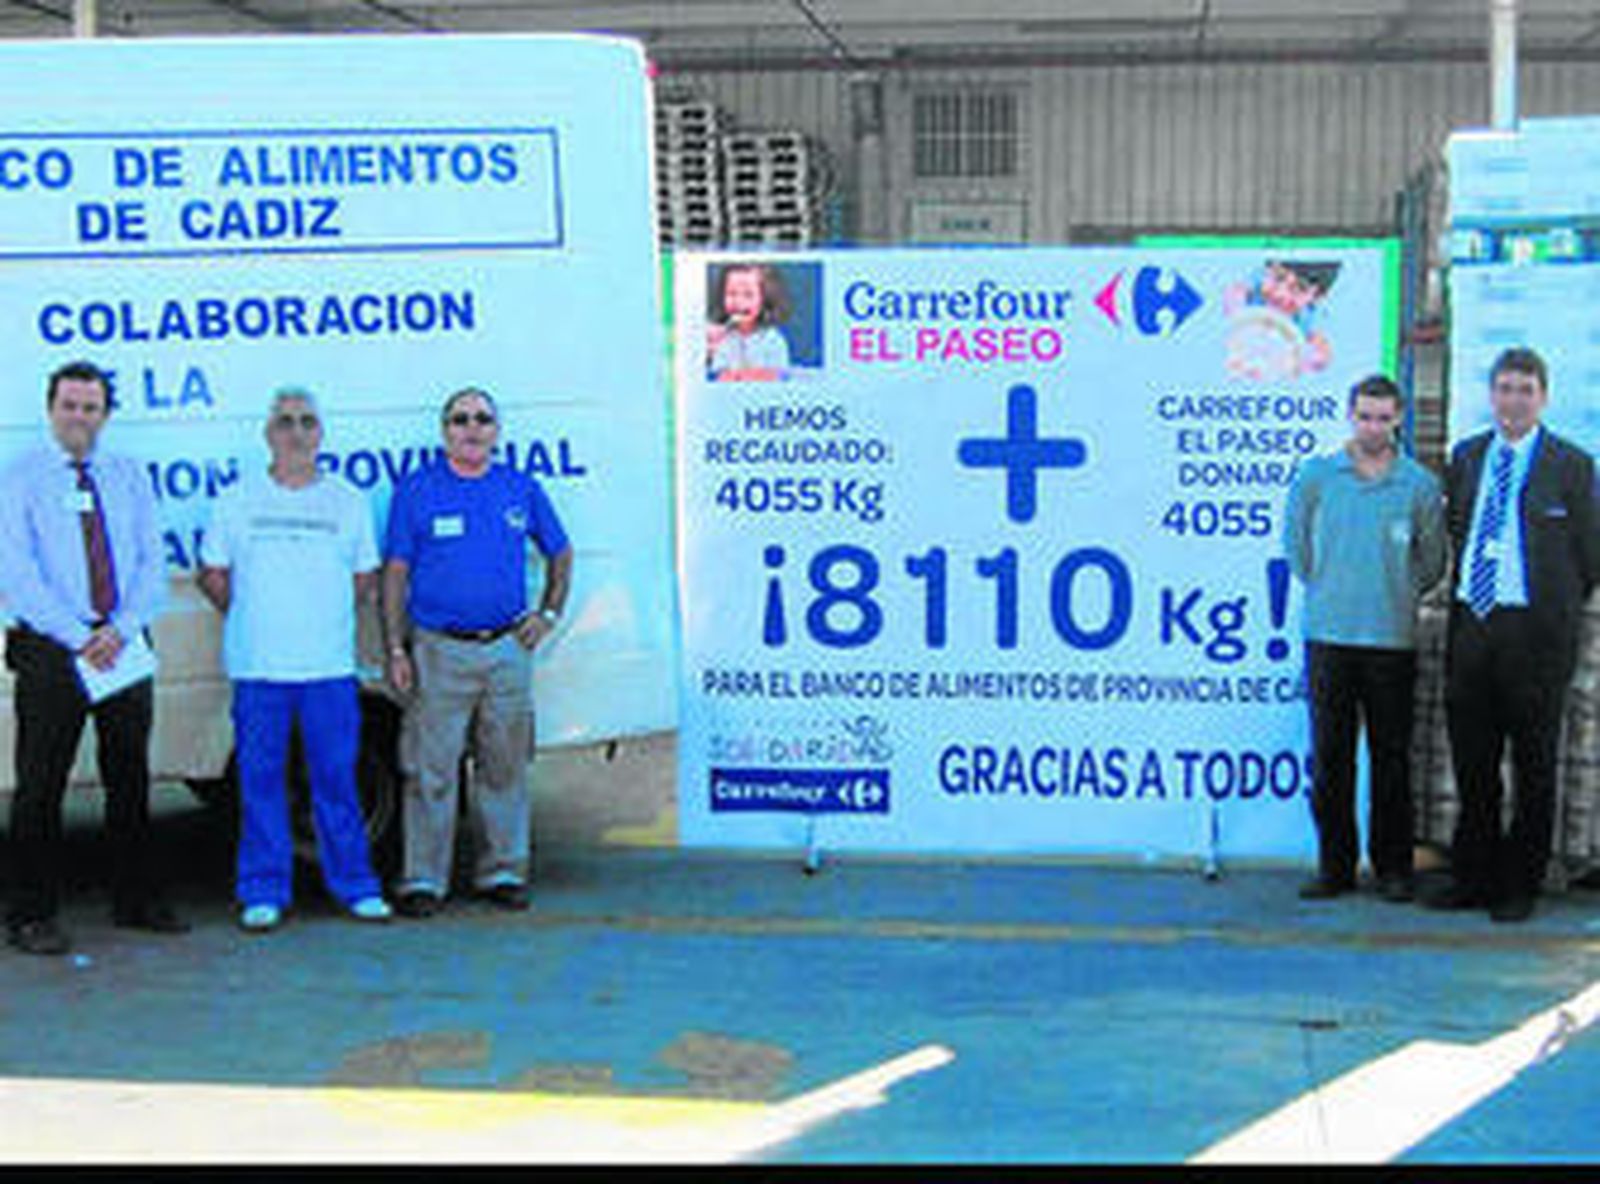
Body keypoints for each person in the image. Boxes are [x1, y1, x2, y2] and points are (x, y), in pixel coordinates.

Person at [0, 360, 188, 955]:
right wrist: (79, 634)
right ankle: (30, 913)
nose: (80, 416)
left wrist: (122, 627)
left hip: (123, 644)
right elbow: (17, 573)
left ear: (106, 413)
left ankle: (135, 899)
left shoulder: (127, 475)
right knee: (41, 784)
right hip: (52, 650)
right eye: (69, 405)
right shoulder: (20, 478)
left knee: (130, 776)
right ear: (50, 408)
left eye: (91, 407)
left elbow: (149, 563)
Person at [198, 388, 393, 933]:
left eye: (307, 422)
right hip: (259, 669)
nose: (296, 431)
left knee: (335, 779)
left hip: (327, 669)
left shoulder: (347, 500)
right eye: (285, 422)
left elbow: (364, 578)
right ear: (268, 434)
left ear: (321, 434)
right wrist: (257, 616)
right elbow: (212, 574)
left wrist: (315, 616)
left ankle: (355, 886)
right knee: (260, 783)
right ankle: (264, 891)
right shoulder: (236, 499)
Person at [381, 387, 572, 918]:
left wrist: (548, 614)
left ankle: (502, 872)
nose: (472, 428)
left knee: (504, 767)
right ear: (444, 430)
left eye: (483, 419)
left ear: (497, 430)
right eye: (460, 419)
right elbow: (396, 573)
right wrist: (396, 647)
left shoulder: (519, 488)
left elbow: (560, 551)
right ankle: (423, 880)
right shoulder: (416, 491)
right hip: (439, 651)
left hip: (507, 650)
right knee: (429, 770)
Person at [1426, 347, 1600, 922]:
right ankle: (1474, 875)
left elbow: (1590, 556)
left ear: (1542, 398)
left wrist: (1552, 616)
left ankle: (1520, 882)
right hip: (1474, 628)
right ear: (1491, 394)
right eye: (1504, 388)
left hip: (1536, 639)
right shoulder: (1468, 456)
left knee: (1533, 765)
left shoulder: (1572, 465)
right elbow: (1457, 529)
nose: (1513, 399)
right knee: (1474, 763)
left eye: (1525, 389)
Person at [1282, 374, 1447, 904]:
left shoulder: (1418, 485)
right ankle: (1335, 866)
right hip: (1329, 637)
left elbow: (1433, 561)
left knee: (1391, 759)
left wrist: (1393, 592)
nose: (1373, 426)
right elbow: (1297, 551)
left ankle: (1393, 867)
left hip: (1391, 640)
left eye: (1383, 417)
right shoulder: (1316, 477)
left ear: (1398, 418)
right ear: (1350, 416)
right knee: (1331, 758)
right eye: (1364, 415)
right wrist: (1334, 588)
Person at [1223, 259, 1339, 375]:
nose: (1280, 294)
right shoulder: (1244, 296)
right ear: (1266, 271)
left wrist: (1295, 362)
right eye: (1278, 278)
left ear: (1316, 297)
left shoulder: (1305, 321)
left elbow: (1322, 356)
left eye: (1300, 288)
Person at [706, 262, 792, 381]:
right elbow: (720, 375)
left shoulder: (773, 341)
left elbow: (777, 376)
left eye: (748, 295)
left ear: (765, 299)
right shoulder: (723, 339)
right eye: (731, 293)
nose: (738, 302)